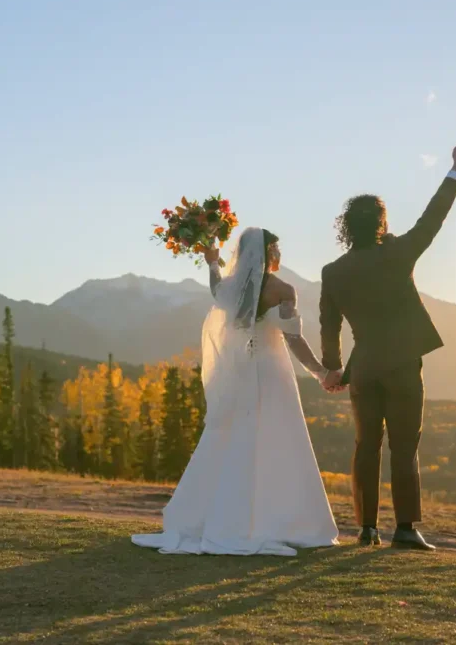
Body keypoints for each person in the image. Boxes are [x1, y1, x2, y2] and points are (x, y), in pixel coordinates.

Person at [131, 227, 339, 556]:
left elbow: (216, 289)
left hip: (241, 373)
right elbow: (293, 338)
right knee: (276, 439)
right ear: (269, 252)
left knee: (233, 438)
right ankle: (278, 520)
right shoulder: (283, 289)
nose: (280, 256)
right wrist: (321, 372)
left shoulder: (230, 289)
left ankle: (222, 516)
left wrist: (212, 263)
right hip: (271, 374)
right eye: (277, 249)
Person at [318, 143, 456, 550]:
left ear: (347, 228)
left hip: (364, 367)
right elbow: (432, 219)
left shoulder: (334, 272)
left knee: (366, 445)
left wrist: (332, 368)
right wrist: (455, 170)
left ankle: (366, 529)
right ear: (381, 224)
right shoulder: (399, 253)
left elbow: (329, 325)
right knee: (405, 446)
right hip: (403, 365)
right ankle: (405, 529)